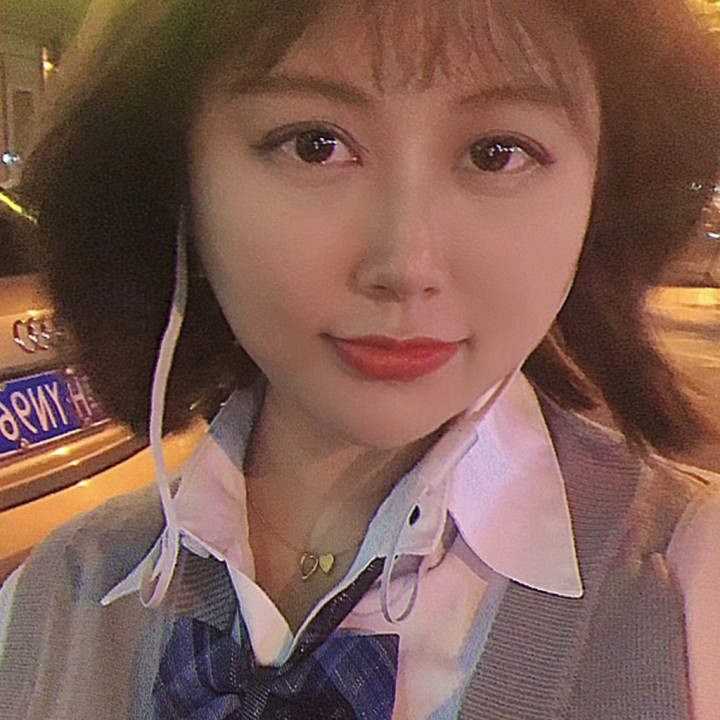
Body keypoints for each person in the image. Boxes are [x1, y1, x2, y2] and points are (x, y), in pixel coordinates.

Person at [1, 0, 720, 717]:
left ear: (602, 189)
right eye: (315, 145)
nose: (406, 265)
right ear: (175, 176)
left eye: (497, 152)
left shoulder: (691, 590)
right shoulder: (50, 601)